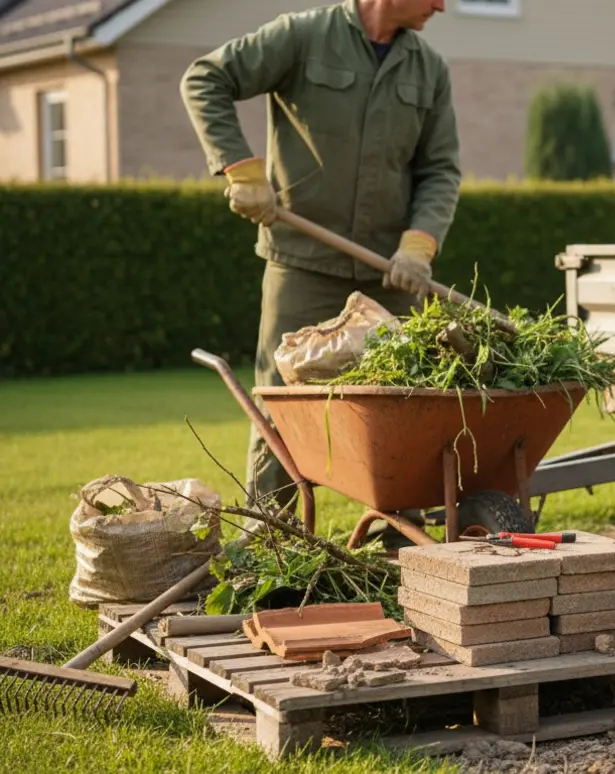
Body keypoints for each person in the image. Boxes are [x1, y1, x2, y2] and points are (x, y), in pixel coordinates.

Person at [180, 0, 460, 546]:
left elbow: (440, 169)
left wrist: (419, 245)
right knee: (281, 408)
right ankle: (273, 542)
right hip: (302, 263)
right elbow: (205, 77)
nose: (442, 5)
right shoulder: (303, 36)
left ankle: (406, 545)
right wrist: (241, 169)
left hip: (391, 275)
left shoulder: (429, 69)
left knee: (404, 409)